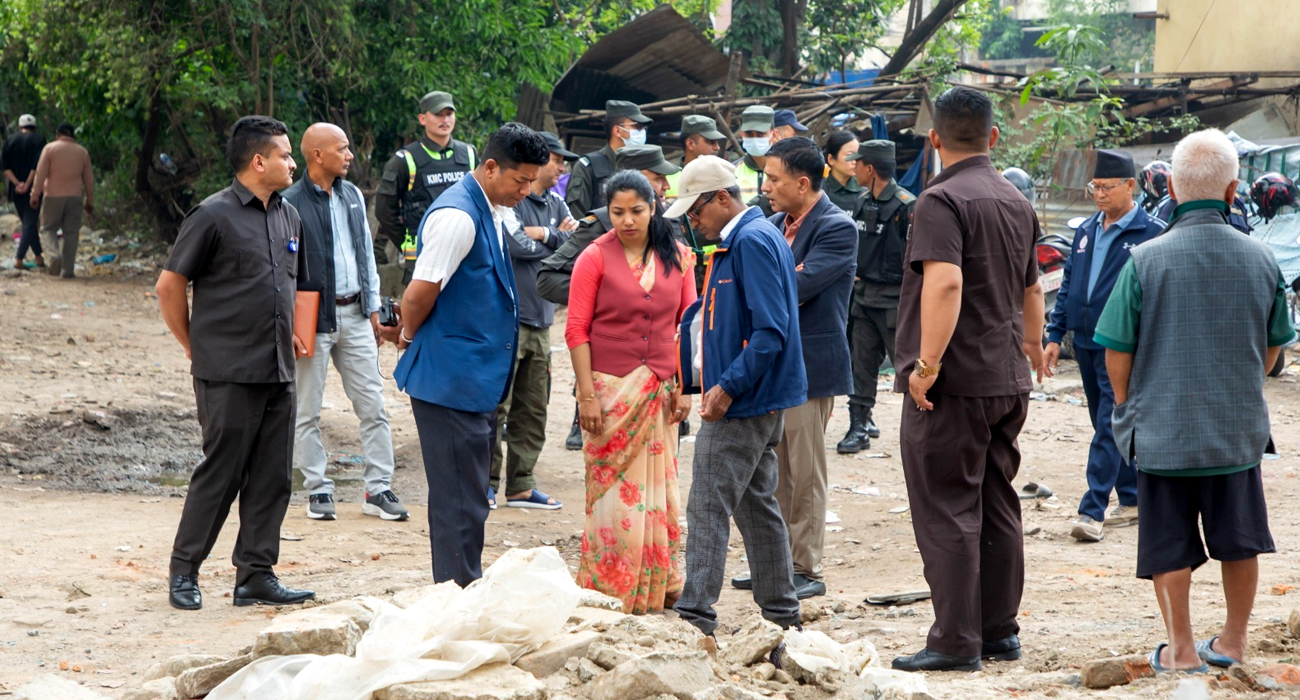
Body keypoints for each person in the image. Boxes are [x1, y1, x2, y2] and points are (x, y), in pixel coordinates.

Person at [1095, 128, 1294, 673]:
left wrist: (1126, 409)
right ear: (1234, 192)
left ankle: (1181, 651)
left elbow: (1117, 350)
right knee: (1240, 539)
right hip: (1235, 432)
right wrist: (1249, 374)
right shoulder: (1262, 259)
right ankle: (1232, 642)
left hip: (1163, 433)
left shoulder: (1144, 260)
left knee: (1168, 544)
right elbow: (1276, 345)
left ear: (1174, 192)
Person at [891, 86, 1046, 672]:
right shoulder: (1014, 198)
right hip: (1006, 376)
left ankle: (956, 642)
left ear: (934, 139)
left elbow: (947, 283)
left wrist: (926, 365)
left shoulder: (940, 199)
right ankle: (998, 630)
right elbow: (1033, 289)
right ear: (994, 138)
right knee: (997, 499)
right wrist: (1030, 345)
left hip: (956, 381)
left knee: (949, 505)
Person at [155, 115, 314, 610]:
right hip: (227, 371)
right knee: (221, 473)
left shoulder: (289, 216)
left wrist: (296, 337)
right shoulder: (212, 215)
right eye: (287, 155)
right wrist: (193, 346)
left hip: (278, 370)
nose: (293, 163)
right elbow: (168, 286)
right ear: (258, 160)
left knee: (273, 476)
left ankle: (255, 575)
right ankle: (184, 572)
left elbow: (297, 287)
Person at [390, 122, 549, 587]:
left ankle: (462, 587)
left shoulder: (494, 209)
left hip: (474, 378)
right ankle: (455, 595)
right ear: (491, 166)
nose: (525, 191)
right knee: (458, 499)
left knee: (469, 496)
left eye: (531, 183)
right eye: (519, 181)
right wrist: (407, 336)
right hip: (450, 378)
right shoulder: (458, 217)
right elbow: (420, 294)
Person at [666, 155, 806, 637]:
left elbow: (771, 331)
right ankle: (783, 617)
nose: (694, 221)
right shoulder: (750, 238)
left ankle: (695, 617)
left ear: (722, 198)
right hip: (757, 397)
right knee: (757, 507)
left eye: (696, 210)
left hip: (744, 401)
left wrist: (726, 388)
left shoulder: (750, 241)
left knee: (707, 505)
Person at [728, 137, 855, 600]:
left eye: (774, 179)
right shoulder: (776, 223)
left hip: (812, 364)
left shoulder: (837, 227)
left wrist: (757, 283)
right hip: (775, 363)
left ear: (803, 183)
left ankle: (806, 567)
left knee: (805, 471)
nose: (766, 187)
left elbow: (797, 285)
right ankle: (774, 562)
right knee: (771, 470)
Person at [566, 170, 696, 613]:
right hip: (609, 390)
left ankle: (657, 585)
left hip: (660, 388)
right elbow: (576, 330)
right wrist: (586, 395)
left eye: (636, 211)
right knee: (610, 492)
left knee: (659, 490)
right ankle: (612, 587)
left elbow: (687, 327)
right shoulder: (594, 257)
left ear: (653, 207)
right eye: (617, 212)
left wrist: (686, 387)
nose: (626, 221)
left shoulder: (679, 256)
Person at [283, 123, 409, 523]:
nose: (350, 154)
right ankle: (318, 490)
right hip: (312, 320)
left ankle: (379, 488)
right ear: (317, 155)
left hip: (355, 316)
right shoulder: (288, 204)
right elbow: (281, 271)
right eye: (342, 148)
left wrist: (373, 307)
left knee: (373, 405)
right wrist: (287, 322)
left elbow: (366, 257)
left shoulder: (353, 196)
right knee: (307, 411)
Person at [1045, 149, 1164, 543]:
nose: (1098, 195)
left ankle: (1091, 509)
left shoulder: (1152, 234)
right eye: (1094, 187)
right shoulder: (1086, 231)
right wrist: (1053, 333)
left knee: (1108, 422)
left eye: (1107, 187)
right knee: (1109, 422)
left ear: (1130, 186)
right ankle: (1131, 500)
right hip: (1084, 341)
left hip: (1123, 344)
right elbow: (1068, 286)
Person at [536, 145, 681, 452]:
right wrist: (607, 297)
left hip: (658, 372)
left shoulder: (668, 229)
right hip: (609, 376)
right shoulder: (600, 229)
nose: (666, 186)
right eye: (658, 178)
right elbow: (548, 279)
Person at [489, 131, 579, 511]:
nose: (561, 168)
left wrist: (544, 234)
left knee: (533, 408)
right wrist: (555, 243)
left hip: (543, 323)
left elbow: (580, 244)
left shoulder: (557, 202)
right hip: (509, 320)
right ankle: (487, 484)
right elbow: (512, 243)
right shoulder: (512, 199)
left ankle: (521, 485)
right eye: (557, 160)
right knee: (497, 407)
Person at [839, 140, 915, 455]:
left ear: (870, 169)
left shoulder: (906, 205)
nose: (853, 167)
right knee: (861, 364)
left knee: (908, 367)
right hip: (863, 298)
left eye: (858, 163)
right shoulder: (860, 201)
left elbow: (916, 261)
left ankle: (924, 425)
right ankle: (859, 425)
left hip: (894, 302)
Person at [375, 91, 478, 286]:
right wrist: (407, 245)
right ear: (422, 118)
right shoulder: (404, 159)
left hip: (466, 253)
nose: (444, 119)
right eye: (438, 114)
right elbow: (384, 211)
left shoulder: (470, 154)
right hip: (424, 257)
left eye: (449, 114)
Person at [665, 115, 726, 295]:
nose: (717, 147)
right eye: (710, 141)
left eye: (717, 142)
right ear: (691, 144)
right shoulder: (669, 179)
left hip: (715, 271)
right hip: (679, 271)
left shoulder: (721, 177)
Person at [566, 100, 652, 219]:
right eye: (636, 126)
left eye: (643, 128)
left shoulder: (644, 166)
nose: (642, 132)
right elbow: (577, 217)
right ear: (617, 131)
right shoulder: (588, 166)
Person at [31, 123, 93, 278]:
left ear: (57, 134)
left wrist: (34, 195)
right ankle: (67, 270)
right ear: (73, 136)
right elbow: (89, 180)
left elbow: (40, 174)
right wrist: (89, 201)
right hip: (75, 198)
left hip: (52, 196)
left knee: (47, 229)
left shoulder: (49, 149)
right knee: (71, 233)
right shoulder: (82, 152)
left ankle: (54, 256)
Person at [4, 114, 46, 270]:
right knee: (29, 223)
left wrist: (17, 184)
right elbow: (38, 166)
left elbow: (5, 167)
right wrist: (28, 184)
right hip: (34, 188)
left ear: (20, 127)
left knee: (28, 223)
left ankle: (38, 257)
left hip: (16, 190)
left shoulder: (10, 140)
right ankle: (19, 258)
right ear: (34, 127)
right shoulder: (40, 140)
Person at [733, 106, 776, 217]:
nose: (755, 139)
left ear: (774, 134)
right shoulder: (732, 172)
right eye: (749, 135)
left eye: (760, 134)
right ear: (742, 135)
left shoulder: (786, 171)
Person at [822, 131, 860, 215]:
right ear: (831, 159)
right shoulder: (819, 191)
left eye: (857, 155)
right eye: (850, 155)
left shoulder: (865, 191)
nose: (855, 161)